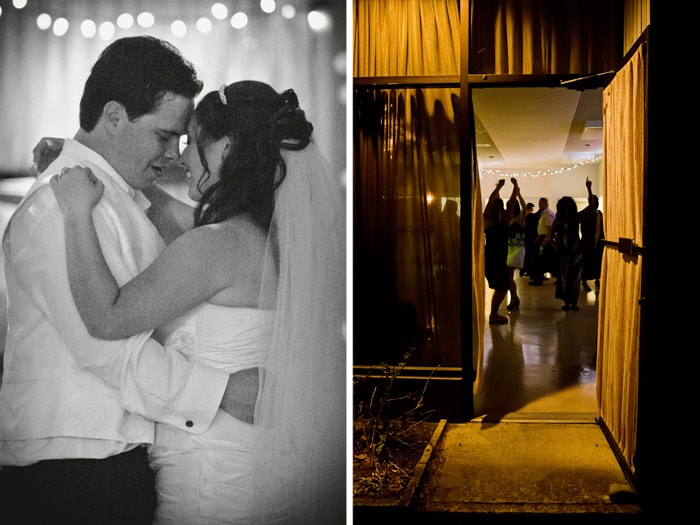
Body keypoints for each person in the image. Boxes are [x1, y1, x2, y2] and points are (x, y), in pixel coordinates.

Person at [45, 81, 346, 523]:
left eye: (190, 142)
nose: (180, 157)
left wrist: (75, 213)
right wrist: (85, 159)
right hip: (263, 471)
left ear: (226, 147)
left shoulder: (216, 245)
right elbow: (166, 212)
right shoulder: (279, 241)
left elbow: (106, 318)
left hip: (213, 485)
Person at [0, 37, 257, 524]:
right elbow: (106, 350)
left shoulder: (115, 196)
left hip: (109, 458)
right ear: (114, 116)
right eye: (165, 137)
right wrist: (224, 392)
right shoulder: (62, 206)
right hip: (72, 469)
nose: (177, 156)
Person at [483, 179, 517, 324]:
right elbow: (492, 203)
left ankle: (494, 314)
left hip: (495, 258)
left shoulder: (496, 221)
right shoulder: (489, 220)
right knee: (502, 286)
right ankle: (493, 314)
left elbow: (511, 204)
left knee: (502, 286)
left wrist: (513, 188)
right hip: (493, 258)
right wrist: (503, 188)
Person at [550, 196, 583, 311]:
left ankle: (573, 303)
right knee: (564, 277)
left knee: (575, 278)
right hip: (564, 253)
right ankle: (568, 302)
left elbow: (592, 206)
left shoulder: (575, 218)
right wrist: (554, 245)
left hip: (575, 252)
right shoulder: (558, 220)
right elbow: (551, 236)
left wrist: (589, 188)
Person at [578, 177, 604, 292]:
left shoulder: (600, 215)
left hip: (598, 243)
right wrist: (589, 188)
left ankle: (598, 280)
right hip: (587, 243)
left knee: (597, 263)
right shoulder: (586, 215)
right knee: (586, 264)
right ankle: (584, 281)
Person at [505, 179, 527, 311]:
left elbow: (524, 207)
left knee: (508, 276)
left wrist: (517, 191)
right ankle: (514, 298)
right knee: (509, 276)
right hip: (510, 249)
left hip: (516, 250)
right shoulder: (508, 219)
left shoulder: (519, 219)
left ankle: (514, 298)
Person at [528, 197, 556, 285]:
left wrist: (545, 239)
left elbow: (550, 227)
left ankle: (538, 280)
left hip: (543, 239)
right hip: (541, 237)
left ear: (545, 203)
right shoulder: (545, 213)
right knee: (540, 258)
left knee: (538, 258)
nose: (539, 206)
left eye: (541, 204)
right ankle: (539, 277)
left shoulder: (547, 213)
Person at [521, 201, 538, 277]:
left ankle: (525, 269)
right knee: (529, 255)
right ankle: (528, 270)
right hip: (529, 238)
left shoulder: (522, 215)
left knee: (526, 254)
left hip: (524, 237)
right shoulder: (530, 216)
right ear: (530, 209)